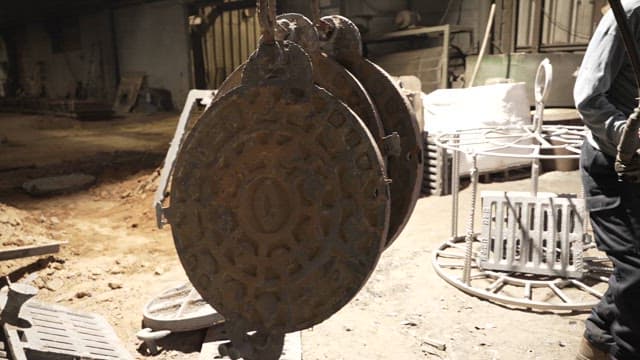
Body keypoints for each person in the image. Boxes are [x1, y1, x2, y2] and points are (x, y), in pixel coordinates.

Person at [574, 2, 640, 360]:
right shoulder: (630, 12)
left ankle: (598, 337)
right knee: (637, 270)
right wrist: (632, 140)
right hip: (611, 161)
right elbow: (588, 96)